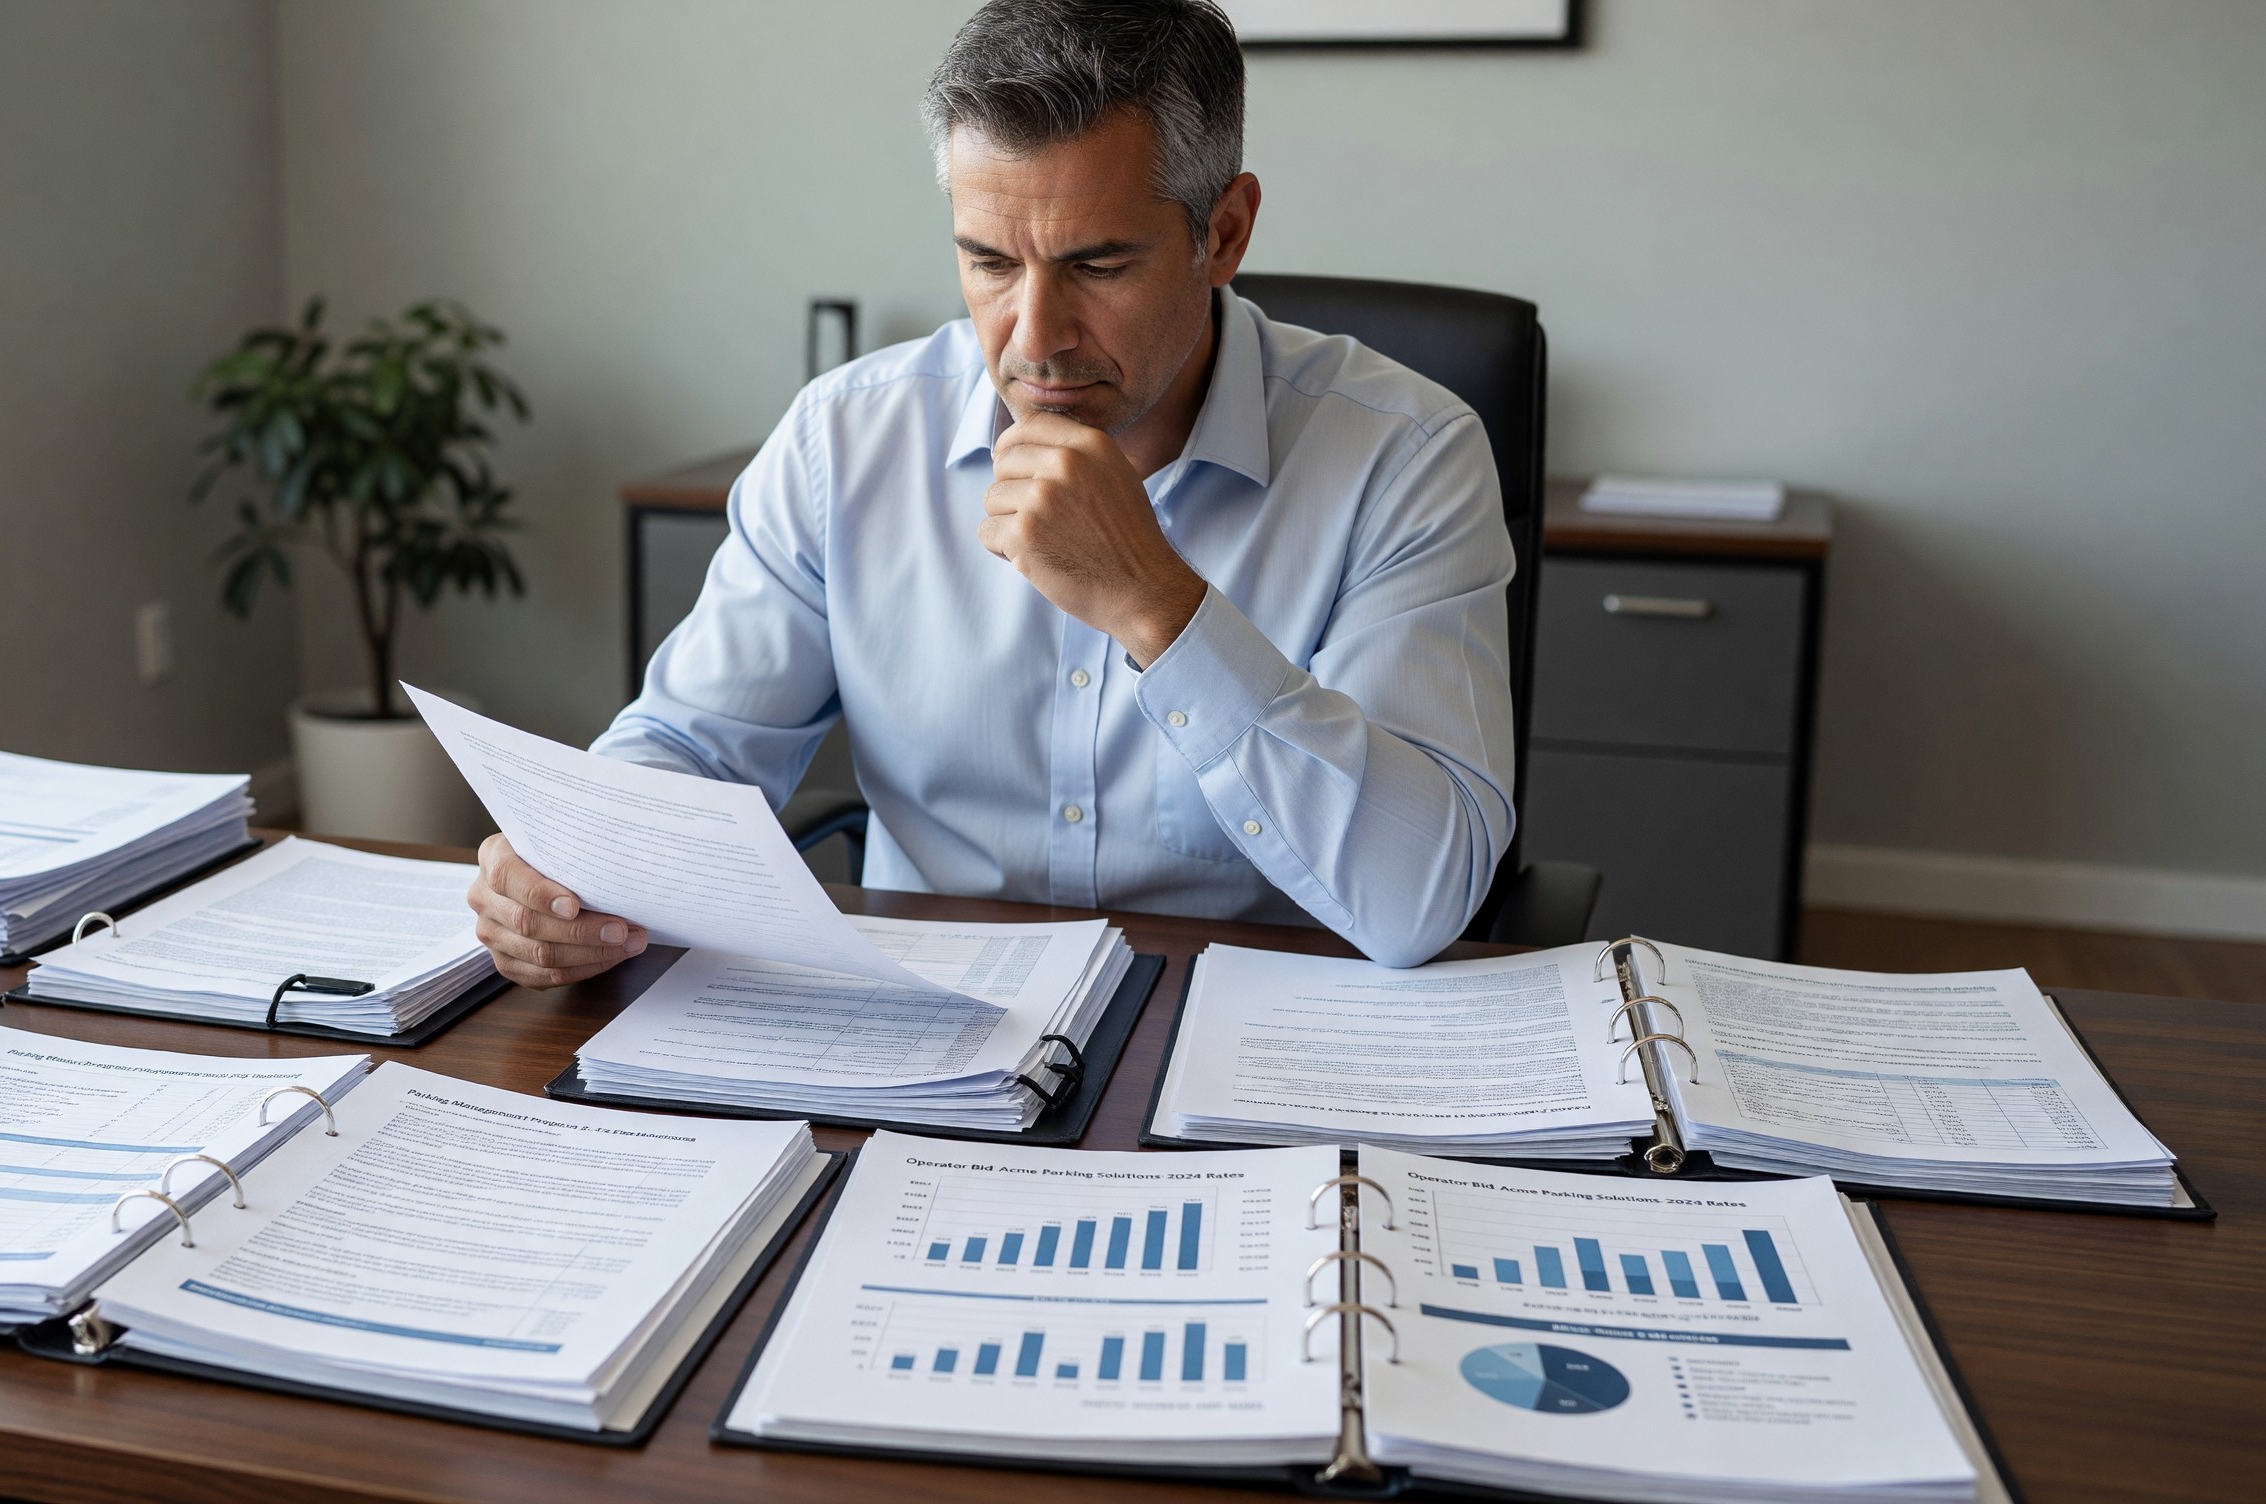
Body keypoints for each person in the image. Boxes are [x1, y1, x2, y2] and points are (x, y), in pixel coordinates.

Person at [469, 0, 1514, 981]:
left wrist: (1157, 604)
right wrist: (573, 863)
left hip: (1247, 1040)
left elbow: (1418, 898)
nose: (1034, 336)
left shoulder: (1405, 457)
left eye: (1098, 267)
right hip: (928, 1042)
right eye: (987, 262)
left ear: (1224, 233)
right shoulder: (847, 438)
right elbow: (692, 743)